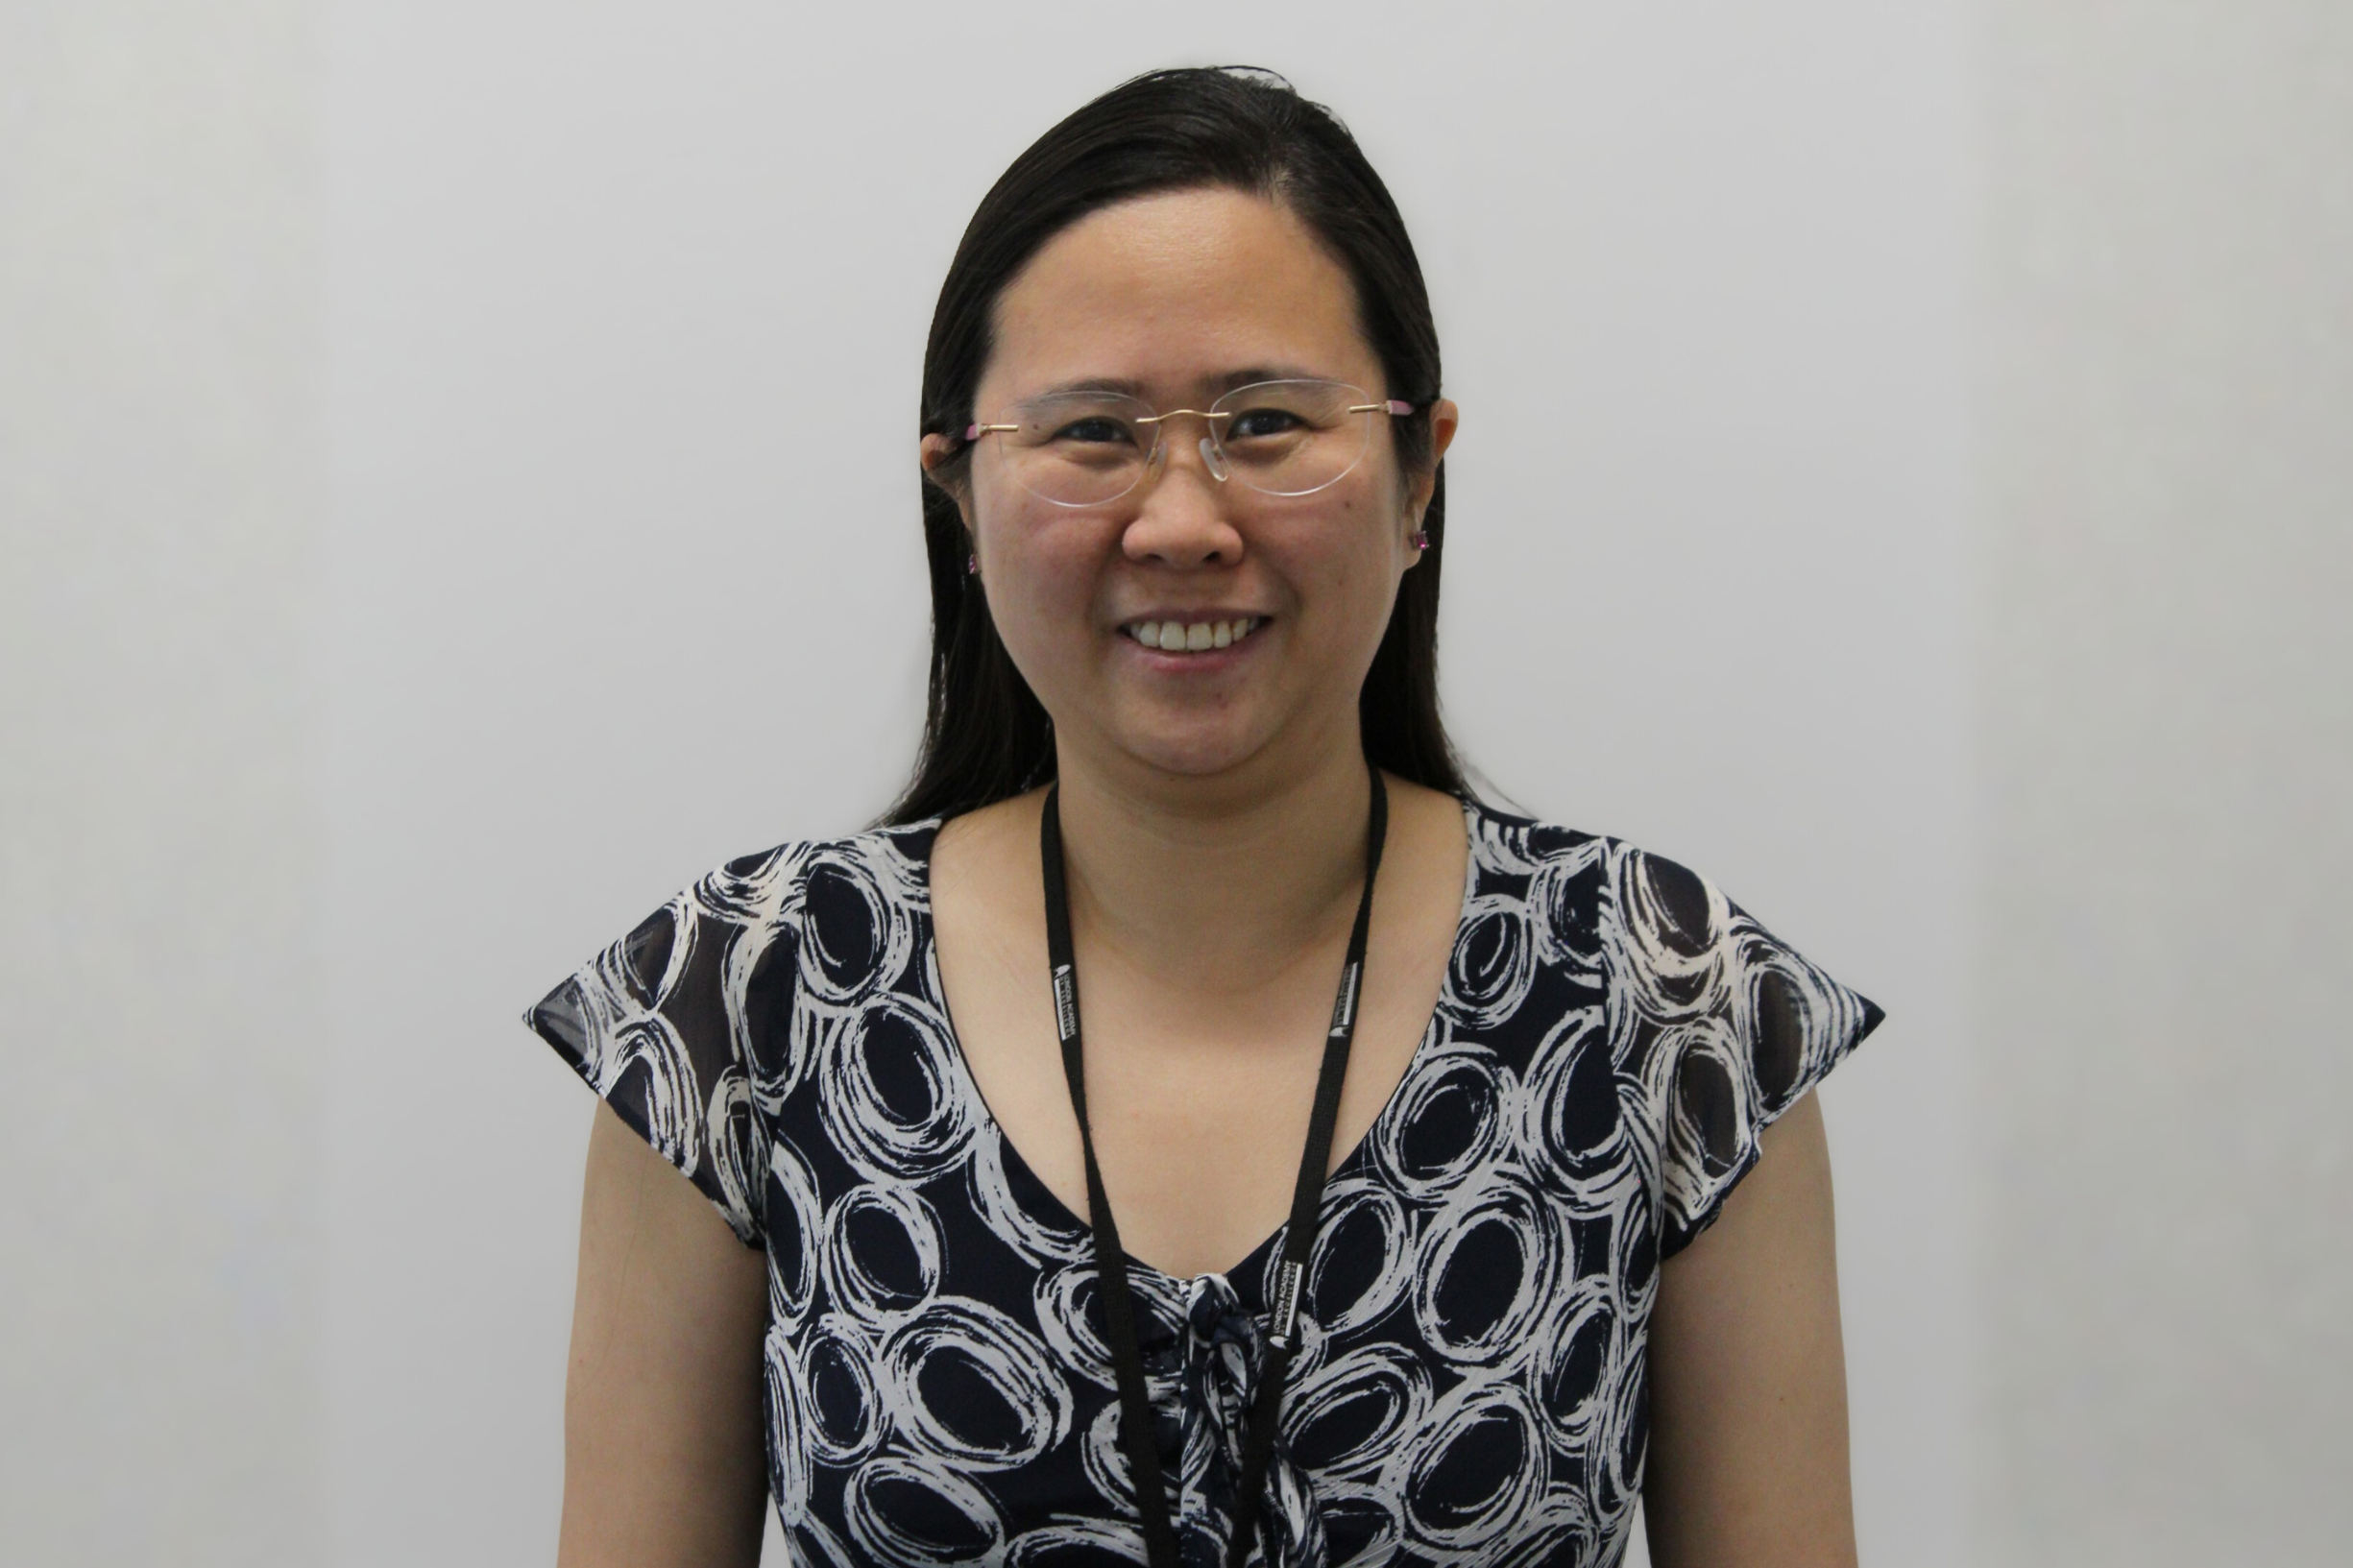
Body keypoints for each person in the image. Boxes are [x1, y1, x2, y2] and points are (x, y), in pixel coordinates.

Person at [526, 66, 1881, 1568]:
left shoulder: (1662, 995)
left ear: (1418, 476)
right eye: (1093, 434)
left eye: (1265, 422)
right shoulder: (744, 993)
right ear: (958, 495)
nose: (1181, 522)